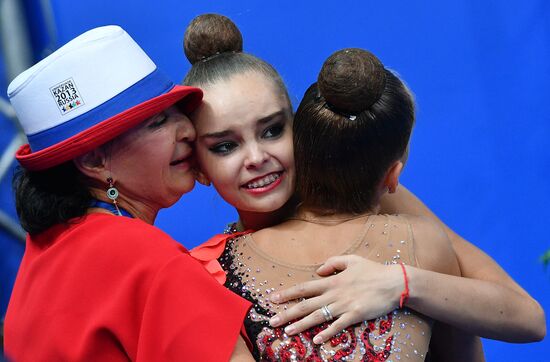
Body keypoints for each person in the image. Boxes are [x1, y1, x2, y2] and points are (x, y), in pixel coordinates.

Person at [185, 13, 545, 350]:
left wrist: (400, 284)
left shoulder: (374, 196)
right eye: (226, 146)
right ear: (198, 166)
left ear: (300, 127)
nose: (256, 158)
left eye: (272, 130)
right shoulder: (211, 271)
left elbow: (527, 318)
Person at [4, 25, 252, 361]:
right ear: (93, 160)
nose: (188, 130)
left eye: (180, 113)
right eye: (158, 121)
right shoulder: (146, 260)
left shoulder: (40, 255)